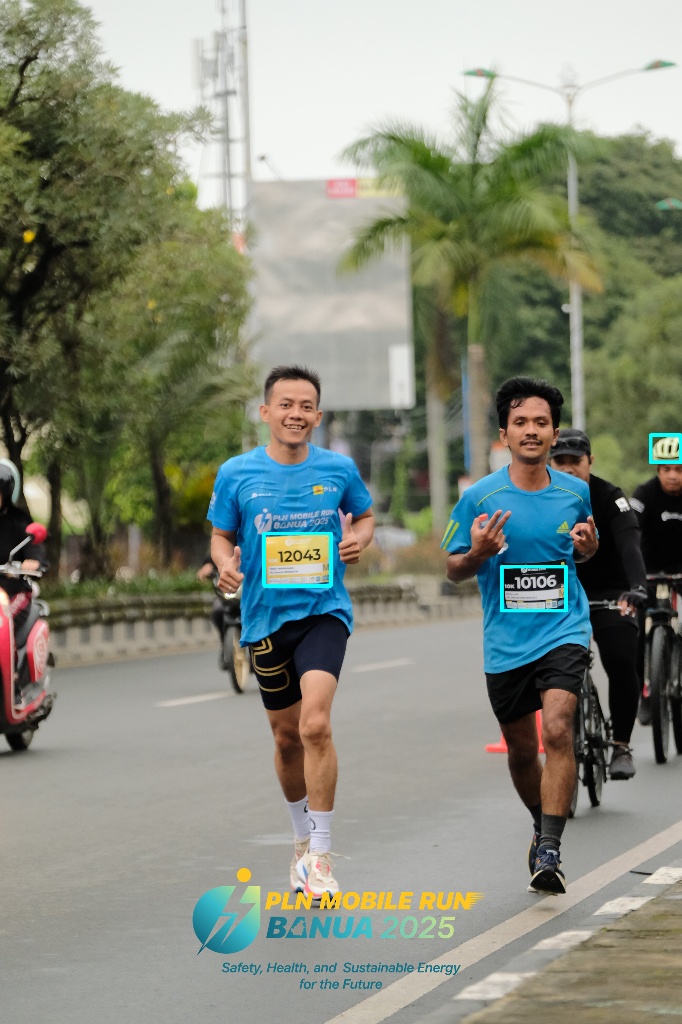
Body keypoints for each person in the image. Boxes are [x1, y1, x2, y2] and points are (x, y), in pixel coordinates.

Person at [208, 365, 374, 899]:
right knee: (285, 739)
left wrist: (359, 539)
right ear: (266, 412)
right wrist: (224, 565)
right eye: (285, 405)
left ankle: (320, 856)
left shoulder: (339, 469)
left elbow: (365, 516)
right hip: (263, 618)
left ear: (317, 416)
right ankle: (301, 840)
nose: (295, 414)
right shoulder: (236, 473)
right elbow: (220, 536)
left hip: (324, 612)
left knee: (315, 725)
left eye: (306, 406)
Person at [441, 377, 597, 895]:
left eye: (541, 423)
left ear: (554, 433)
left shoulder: (575, 492)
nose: (531, 430)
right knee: (521, 750)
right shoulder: (479, 497)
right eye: (521, 422)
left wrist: (589, 548)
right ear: (504, 434)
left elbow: (585, 546)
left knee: (558, 729)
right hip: (506, 642)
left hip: (564, 627)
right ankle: (539, 821)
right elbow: (452, 570)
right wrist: (478, 552)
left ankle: (550, 848)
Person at [549, 429, 647, 780]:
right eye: (560, 461)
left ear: (590, 461)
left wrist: (638, 586)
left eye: (575, 461)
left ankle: (621, 745)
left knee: (621, 658)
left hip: (611, 591)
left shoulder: (609, 497)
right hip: (559, 592)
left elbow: (629, 542)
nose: (568, 468)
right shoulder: (541, 496)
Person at [630, 446, 682, 725]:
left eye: (679, 470)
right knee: (637, 632)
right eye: (667, 469)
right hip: (648, 571)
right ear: (658, 470)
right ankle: (645, 694)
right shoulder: (644, 493)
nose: (673, 475)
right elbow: (629, 527)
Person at [0, 460, 46, 636]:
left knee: (3, 621)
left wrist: (33, 562)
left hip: (13, 591)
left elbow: (34, 549)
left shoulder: (19, 521)